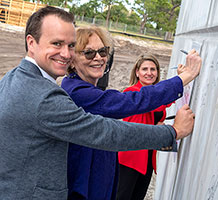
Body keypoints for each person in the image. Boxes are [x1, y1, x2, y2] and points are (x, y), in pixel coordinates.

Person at [0, 6, 201, 200]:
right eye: (56, 44)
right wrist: (173, 132)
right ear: (31, 42)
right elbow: (108, 130)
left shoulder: (14, 78)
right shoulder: (47, 96)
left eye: (70, 46)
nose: (66, 53)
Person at [61, 27, 202, 200]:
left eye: (103, 51)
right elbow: (131, 101)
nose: (98, 58)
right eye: (89, 53)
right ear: (72, 60)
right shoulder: (78, 92)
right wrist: (183, 80)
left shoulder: (82, 87)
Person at [117, 54, 173, 200]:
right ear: (137, 72)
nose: (149, 73)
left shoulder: (156, 94)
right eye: (145, 69)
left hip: (147, 156)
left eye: (153, 69)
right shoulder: (132, 92)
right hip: (131, 156)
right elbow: (153, 103)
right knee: (122, 196)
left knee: (138, 196)